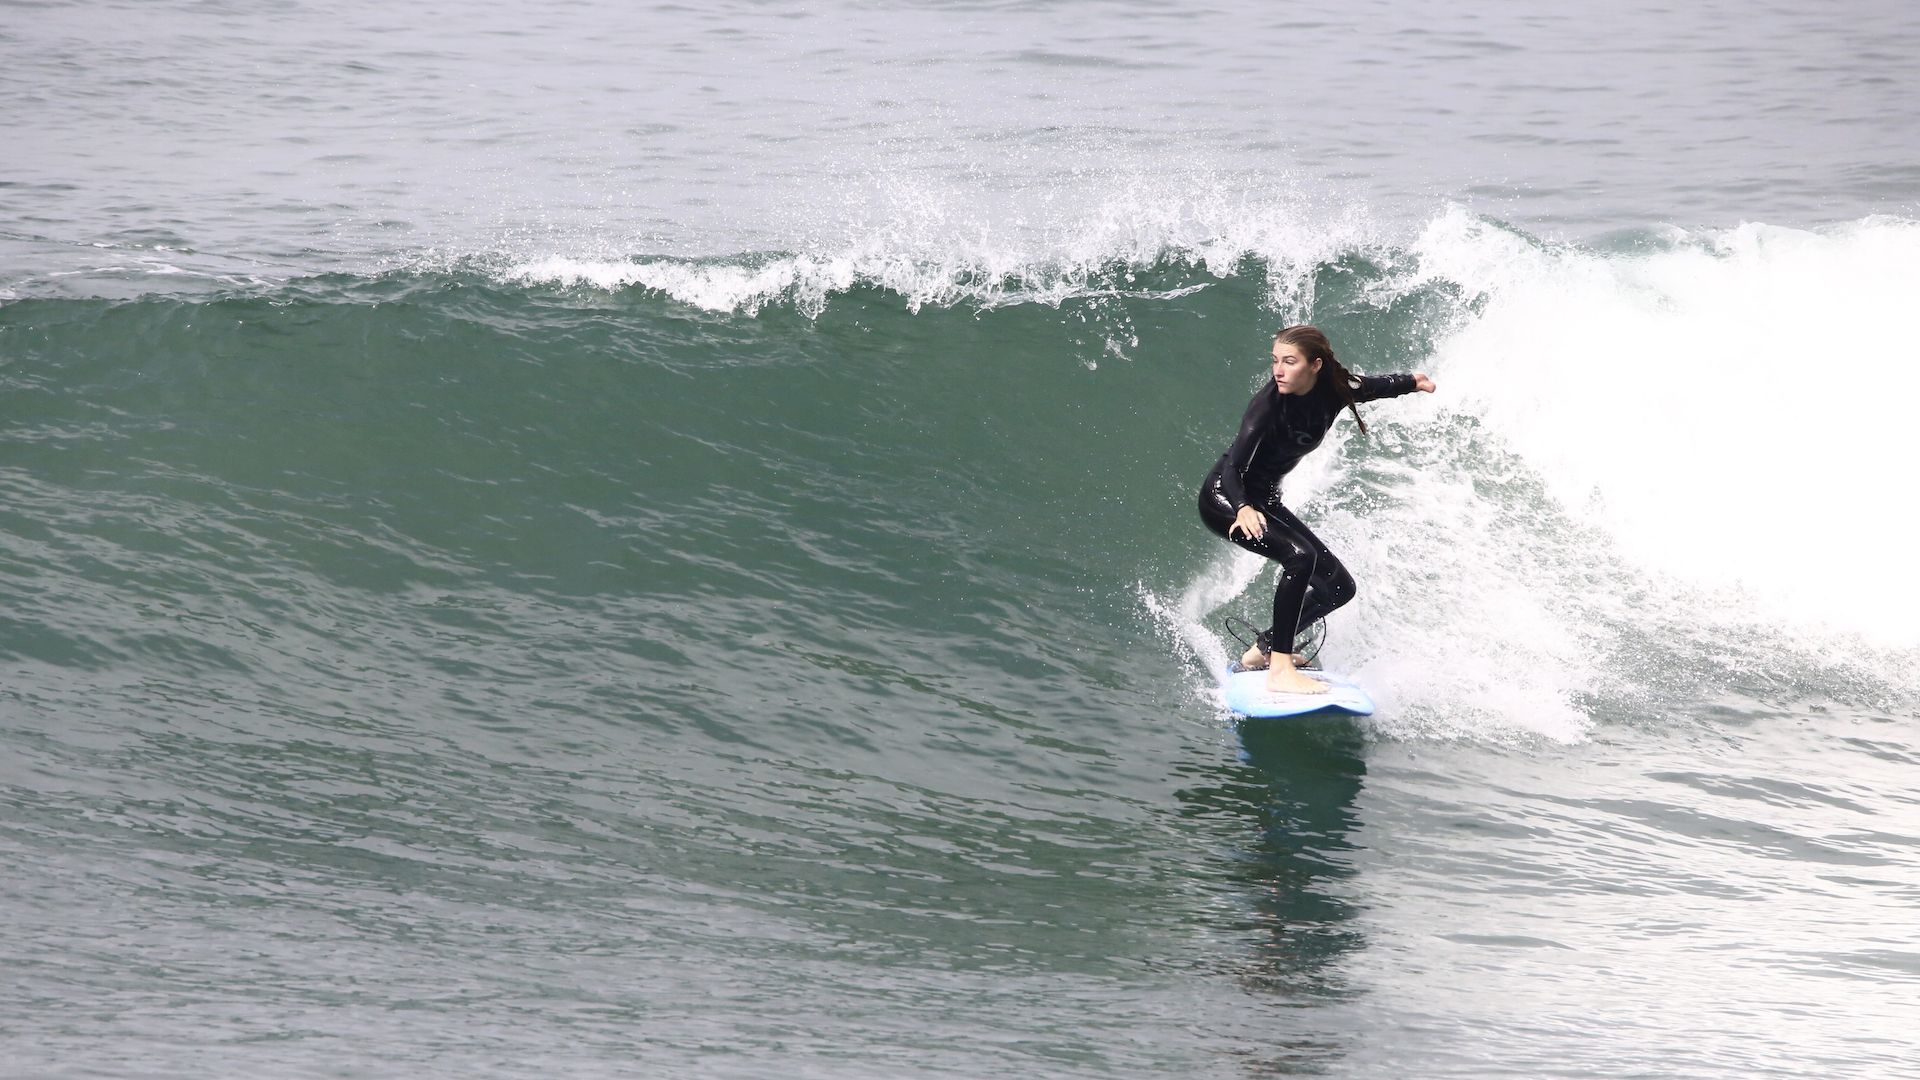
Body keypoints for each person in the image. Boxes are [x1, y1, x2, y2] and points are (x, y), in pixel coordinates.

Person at [1197, 325, 1435, 694]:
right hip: (1226, 500)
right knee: (1299, 557)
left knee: (1338, 586)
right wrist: (1242, 507)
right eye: (1275, 361)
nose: (1278, 370)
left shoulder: (1334, 389)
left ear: (1315, 365)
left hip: (1266, 501)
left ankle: (1262, 651)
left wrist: (1411, 381)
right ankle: (1279, 667)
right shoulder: (1267, 405)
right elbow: (1233, 468)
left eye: (1289, 362)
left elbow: (1372, 386)